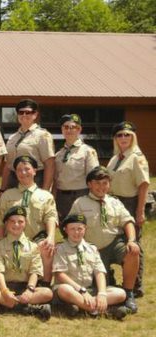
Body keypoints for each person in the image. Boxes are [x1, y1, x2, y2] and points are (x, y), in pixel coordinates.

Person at [69, 166, 140, 313]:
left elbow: (128, 222)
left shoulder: (115, 202)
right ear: (89, 184)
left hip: (113, 244)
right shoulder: (80, 203)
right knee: (98, 287)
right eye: (97, 183)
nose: (102, 187)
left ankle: (128, 293)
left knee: (133, 252)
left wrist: (132, 240)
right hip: (90, 249)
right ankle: (106, 288)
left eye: (105, 183)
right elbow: (70, 226)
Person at [0, 206, 53, 320]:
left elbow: (35, 271)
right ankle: (29, 308)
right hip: (4, 285)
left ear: (25, 223)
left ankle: (3, 305)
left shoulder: (33, 247)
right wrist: (4, 291)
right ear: (6, 223)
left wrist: (29, 291)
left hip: (24, 287)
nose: (16, 225)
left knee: (48, 293)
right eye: (12, 221)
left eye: (20, 221)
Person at [52, 214, 128, 320]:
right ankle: (103, 310)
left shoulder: (92, 249)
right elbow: (60, 275)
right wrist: (81, 291)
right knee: (65, 289)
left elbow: (99, 272)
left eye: (80, 228)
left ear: (85, 229)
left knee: (121, 293)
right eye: (72, 229)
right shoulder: (61, 248)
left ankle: (83, 308)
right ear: (66, 230)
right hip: (71, 290)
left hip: (90, 290)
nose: (76, 232)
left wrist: (101, 294)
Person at [0, 156, 57, 284]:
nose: (23, 173)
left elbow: (50, 217)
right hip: (13, 238)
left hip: (36, 238)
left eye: (27, 169)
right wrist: (1, 240)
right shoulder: (7, 195)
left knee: (47, 248)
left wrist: (50, 237)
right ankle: (9, 283)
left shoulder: (45, 195)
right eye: (19, 170)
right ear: (15, 173)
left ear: (35, 171)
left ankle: (44, 286)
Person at [106, 121, 149, 297]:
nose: (123, 138)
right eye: (119, 135)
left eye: (127, 135)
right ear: (115, 139)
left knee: (133, 244)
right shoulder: (116, 158)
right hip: (114, 204)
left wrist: (140, 211)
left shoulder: (137, 157)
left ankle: (135, 286)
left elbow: (144, 185)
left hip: (130, 203)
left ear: (133, 137)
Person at [0, 99, 55, 192]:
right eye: (21, 112)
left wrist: (45, 191)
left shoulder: (43, 135)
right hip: (13, 181)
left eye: (28, 112)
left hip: (35, 180)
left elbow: (50, 165)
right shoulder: (12, 137)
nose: (24, 115)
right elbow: (7, 165)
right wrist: (2, 189)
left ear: (35, 115)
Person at [53, 114, 99, 220]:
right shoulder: (58, 154)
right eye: (65, 127)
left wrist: (94, 199)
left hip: (81, 195)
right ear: (62, 130)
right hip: (62, 198)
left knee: (82, 228)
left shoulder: (87, 151)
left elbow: (94, 178)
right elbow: (55, 180)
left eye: (72, 127)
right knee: (65, 229)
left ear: (79, 130)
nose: (69, 130)